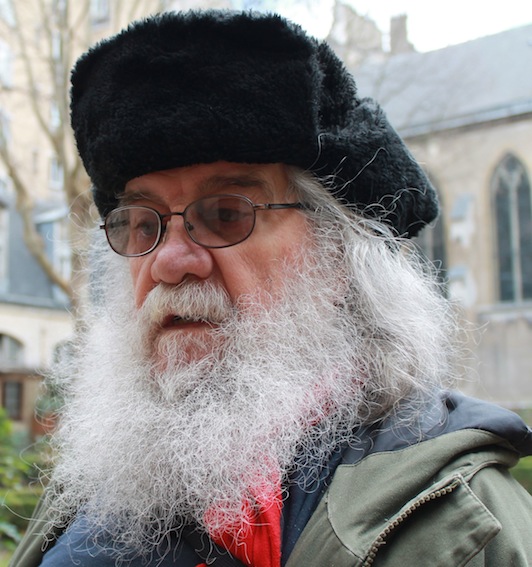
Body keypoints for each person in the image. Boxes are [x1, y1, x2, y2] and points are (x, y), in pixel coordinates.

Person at [10, 9, 532, 567]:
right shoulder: (86, 495)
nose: (168, 262)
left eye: (227, 213)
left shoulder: (469, 529)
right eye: (143, 222)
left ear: (336, 258)